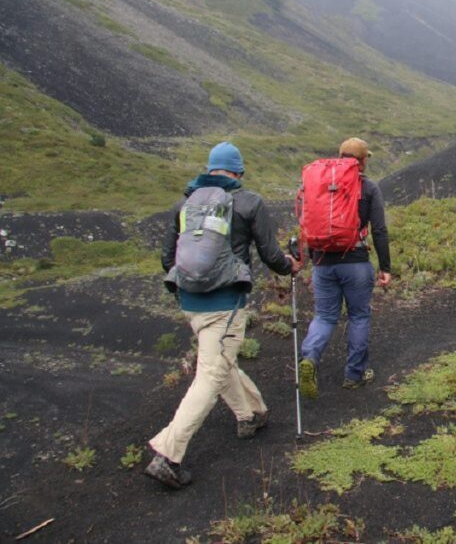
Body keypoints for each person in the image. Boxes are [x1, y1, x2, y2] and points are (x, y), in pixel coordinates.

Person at [145, 142, 299, 489]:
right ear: (239, 172)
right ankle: (168, 454)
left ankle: (252, 414)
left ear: (209, 169)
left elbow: (167, 260)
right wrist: (290, 266)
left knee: (218, 359)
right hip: (226, 304)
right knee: (211, 375)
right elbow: (271, 254)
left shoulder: (184, 204)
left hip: (190, 302)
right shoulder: (248, 202)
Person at [298, 137, 391, 399]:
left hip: (323, 263)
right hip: (356, 262)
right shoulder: (368, 187)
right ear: (361, 162)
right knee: (359, 316)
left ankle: (310, 358)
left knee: (325, 316)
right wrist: (385, 267)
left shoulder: (319, 185)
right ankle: (354, 375)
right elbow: (379, 230)